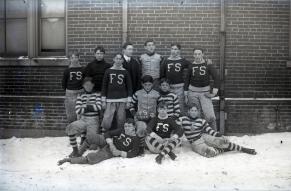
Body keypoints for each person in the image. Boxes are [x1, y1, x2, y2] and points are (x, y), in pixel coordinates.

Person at [180, 105, 257, 158]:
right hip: (195, 142)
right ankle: (223, 149)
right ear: (188, 111)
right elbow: (176, 128)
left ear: (198, 112)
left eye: (195, 110)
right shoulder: (183, 119)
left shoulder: (201, 121)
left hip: (203, 136)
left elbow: (210, 131)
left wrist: (221, 136)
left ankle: (244, 149)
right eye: (192, 110)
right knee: (209, 153)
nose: (194, 112)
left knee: (223, 142)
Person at [58, 118, 141, 165]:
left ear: (134, 127)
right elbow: (108, 133)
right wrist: (110, 143)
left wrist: (120, 153)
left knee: (92, 158)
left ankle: (69, 160)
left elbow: (134, 153)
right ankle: (78, 154)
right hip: (108, 143)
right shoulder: (121, 130)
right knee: (91, 137)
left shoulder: (136, 139)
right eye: (125, 126)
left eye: (129, 126)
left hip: (111, 151)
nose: (126, 128)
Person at [184, 48, 220, 130]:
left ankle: (214, 135)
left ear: (203, 54)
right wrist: (186, 95)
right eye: (195, 54)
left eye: (199, 54)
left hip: (205, 93)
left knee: (210, 116)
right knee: (195, 115)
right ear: (193, 55)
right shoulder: (191, 66)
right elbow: (187, 80)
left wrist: (214, 93)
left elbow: (216, 78)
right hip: (192, 93)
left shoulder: (208, 64)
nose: (197, 56)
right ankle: (197, 133)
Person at [65, 77, 102, 157]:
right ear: (83, 86)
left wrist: (84, 107)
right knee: (70, 128)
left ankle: (85, 141)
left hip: (93, 121)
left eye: (90, 84)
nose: (88, 86)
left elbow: (98, 107)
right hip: (83, 119)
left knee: (93, 147)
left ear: (93, 85)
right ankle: (75, 150)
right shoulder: (80, 95)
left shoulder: (97, 95)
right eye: (86, 85)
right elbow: (77, 110)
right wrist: (91, 107)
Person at [101, 53, 133, 132]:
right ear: (114, 59)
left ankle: (120, 133)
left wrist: (129, 101)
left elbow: (129, 87)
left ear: (122, 60)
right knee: (107, 117)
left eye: (120, 59)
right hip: (110, 99)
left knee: (121, 118)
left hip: (122, 99)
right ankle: (104, 132)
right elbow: (104, 86)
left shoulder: (125, 72)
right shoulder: (108, 71)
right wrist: (103, 100)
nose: (118, 60)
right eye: (117, 58)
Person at [129, 75, 160, 153]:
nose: (147, 86)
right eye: (145, 85)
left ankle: (151, 145)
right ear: (142, 84)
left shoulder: (156, 94)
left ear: (152, 84)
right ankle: (140, 147)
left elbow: (161, 105)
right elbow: (131, 105)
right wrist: (134, 114)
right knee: (141, 128)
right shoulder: (137, 93)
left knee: (154, 130)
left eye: (149, 85)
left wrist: (157, 114)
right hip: (141, 117)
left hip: (152, 117)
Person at [160, 43, 190, 113]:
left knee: (180, 106)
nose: (173, 51)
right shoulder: (166, 61)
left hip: (179, 87)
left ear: (179, 51)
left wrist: (206, 62)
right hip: (169, 87)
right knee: (168, 106)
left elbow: (193, 66)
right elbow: (162, 75)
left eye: (175, 49)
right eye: (172, 49)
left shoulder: (182, 60)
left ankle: (181, 121)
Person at [62, 50, 84, 123]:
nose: (74, 59)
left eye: (76, 57)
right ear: (70, 59)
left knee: (80, 112)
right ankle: (72, 130)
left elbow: (85, 81)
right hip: (70, 93)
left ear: (79, 58)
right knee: (70, 113)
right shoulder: (67, 70)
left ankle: (80, 130)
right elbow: (63, 83)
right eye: (72, 57)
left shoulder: (83, 69)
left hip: (80, 92)